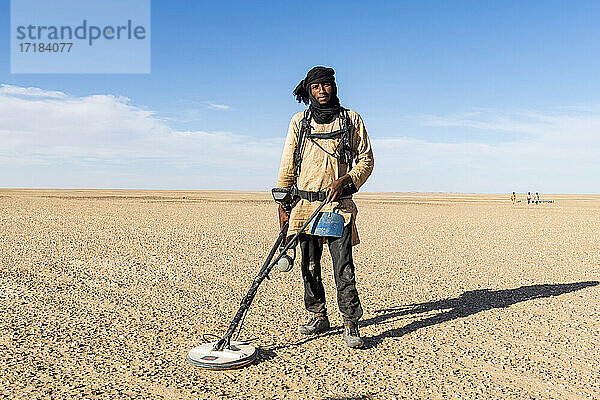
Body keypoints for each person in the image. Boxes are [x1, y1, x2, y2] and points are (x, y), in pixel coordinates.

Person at [276, 66, 374, 348]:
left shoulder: (351, 119)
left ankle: (351, 322)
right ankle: (318, 315)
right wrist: (283, 205)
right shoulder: (300, 121)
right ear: (308, 90)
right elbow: (286, 164)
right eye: (315, 87)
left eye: (326, 85)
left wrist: (346, 180)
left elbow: (366, 160)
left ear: (334, 86)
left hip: (337, 207)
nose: (321, 91)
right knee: (309, 265)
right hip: (304, 205)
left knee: (343, 266)